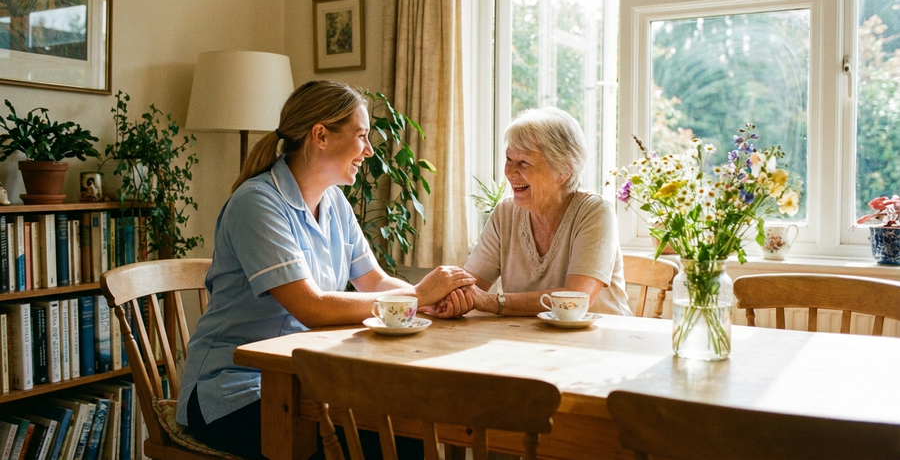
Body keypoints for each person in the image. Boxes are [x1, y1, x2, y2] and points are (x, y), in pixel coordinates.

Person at [175, 80, 474, 459]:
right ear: (320, 135)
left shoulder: (333, 201)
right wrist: (418, 294)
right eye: (362, 136)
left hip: (301, 384)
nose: (368, 150)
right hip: (231, 394)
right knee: (385, 444)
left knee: (409, 432)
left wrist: (432, 303)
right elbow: (310, 306)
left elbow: (375, 281)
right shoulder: (257, 204)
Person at [428, 107, 632, 319]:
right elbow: (469, 287)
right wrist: (448, 299)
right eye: (509, 159)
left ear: (563, 171)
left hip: (602, 343)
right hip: (527, 339)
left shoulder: (595, 212)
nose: (510, 172)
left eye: (524, 162)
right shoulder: (505, 213)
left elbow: (575, 300)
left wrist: (490, 301)